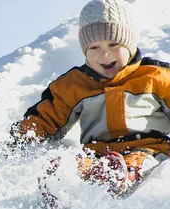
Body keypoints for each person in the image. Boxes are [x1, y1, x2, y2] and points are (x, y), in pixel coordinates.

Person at [11, 0, 170, 196]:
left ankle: (117, 179)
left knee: (136, 163)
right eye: (94, 47)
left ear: (129, 45)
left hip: (149, 149)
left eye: (113, 44)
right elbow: (46, 117)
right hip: (96, 154)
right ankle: (60, 194)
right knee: (74, 166)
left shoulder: (155, 76)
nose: (105, 53)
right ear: (85, 51)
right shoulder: (74, 84)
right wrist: (19, 141)